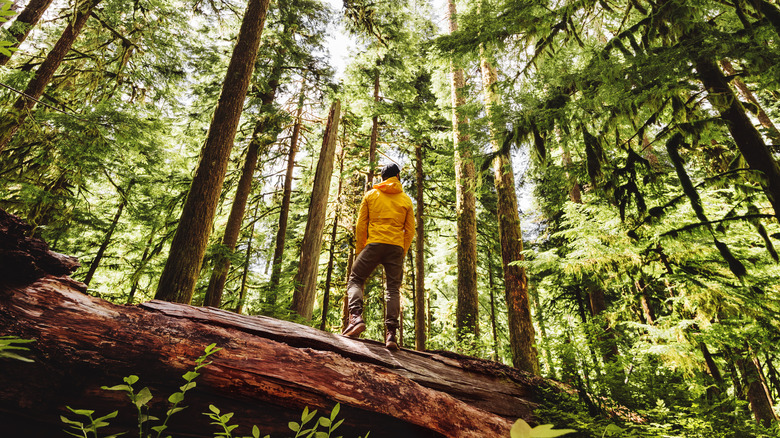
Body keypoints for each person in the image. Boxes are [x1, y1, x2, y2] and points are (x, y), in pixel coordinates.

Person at [342, 163, 415, 350]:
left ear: (382, 178)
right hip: (396, 248)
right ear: (397, 176)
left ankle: (356, 318)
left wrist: (361, 251)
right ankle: (391, 335)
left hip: (374, 244)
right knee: (393, 289)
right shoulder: (406, 200)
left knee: (356, 279)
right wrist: (402, 250)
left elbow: (360, 226)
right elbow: (410, 230)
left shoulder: (371, 195)